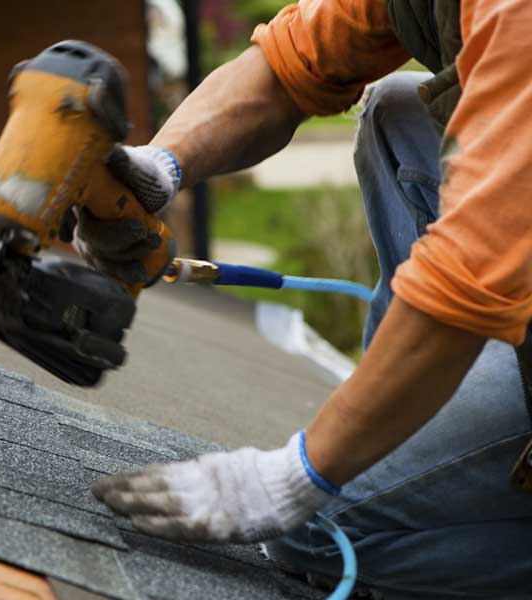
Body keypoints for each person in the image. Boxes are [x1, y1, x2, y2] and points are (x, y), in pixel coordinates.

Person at [78, 2, 532, 598]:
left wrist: (293, 480)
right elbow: (290, 66)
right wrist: (160, 168)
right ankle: (416, 409)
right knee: (398, 111)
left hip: (492, 277)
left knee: (316, 532)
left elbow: (470, 277)